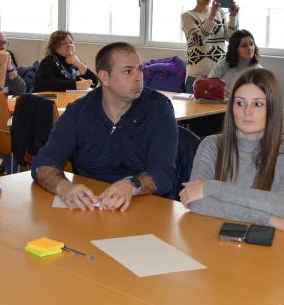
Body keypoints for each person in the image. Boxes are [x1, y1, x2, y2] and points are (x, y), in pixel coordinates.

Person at [32, 42, 178, 211]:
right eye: (128, 71)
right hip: (91, 206)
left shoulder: (159, 109)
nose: (139, 78)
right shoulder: (79, 112)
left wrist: (131, 185)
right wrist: (64, 188)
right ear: (104, 77)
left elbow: (164, 174)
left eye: (140, 70)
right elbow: (43, 163)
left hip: (143, 206)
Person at [180, 69, 284, 236]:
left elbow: (282, 206)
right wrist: (267, 219)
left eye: (258, 104)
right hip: (222, 240)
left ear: (272, 108)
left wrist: (212, 188)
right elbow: (197, 204)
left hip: (279, 242)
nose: (247, 112)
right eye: (240, 103)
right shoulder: (211, 145)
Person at [181, 0, 239, 90]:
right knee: (196, 108)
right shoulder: (187, 16)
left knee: (221, 108)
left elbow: (232, 39)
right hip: (197, 77)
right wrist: (211, 16)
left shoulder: (220, 13)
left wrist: (233, 16)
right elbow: (199, 41)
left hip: (221, 75)